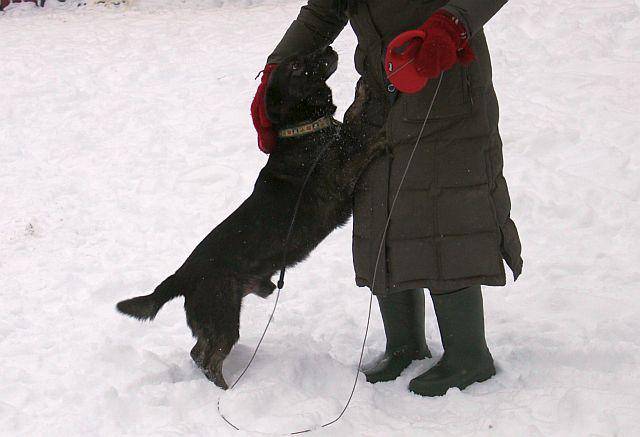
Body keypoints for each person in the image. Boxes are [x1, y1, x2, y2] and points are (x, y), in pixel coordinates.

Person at [251, 0, 523, 397]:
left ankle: (468, 355)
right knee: (378, 203)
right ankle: (404, 344)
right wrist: (277, 68)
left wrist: (454, 23)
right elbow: (325, 10)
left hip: (445, 77)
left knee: (442, 214)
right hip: (382, 85)